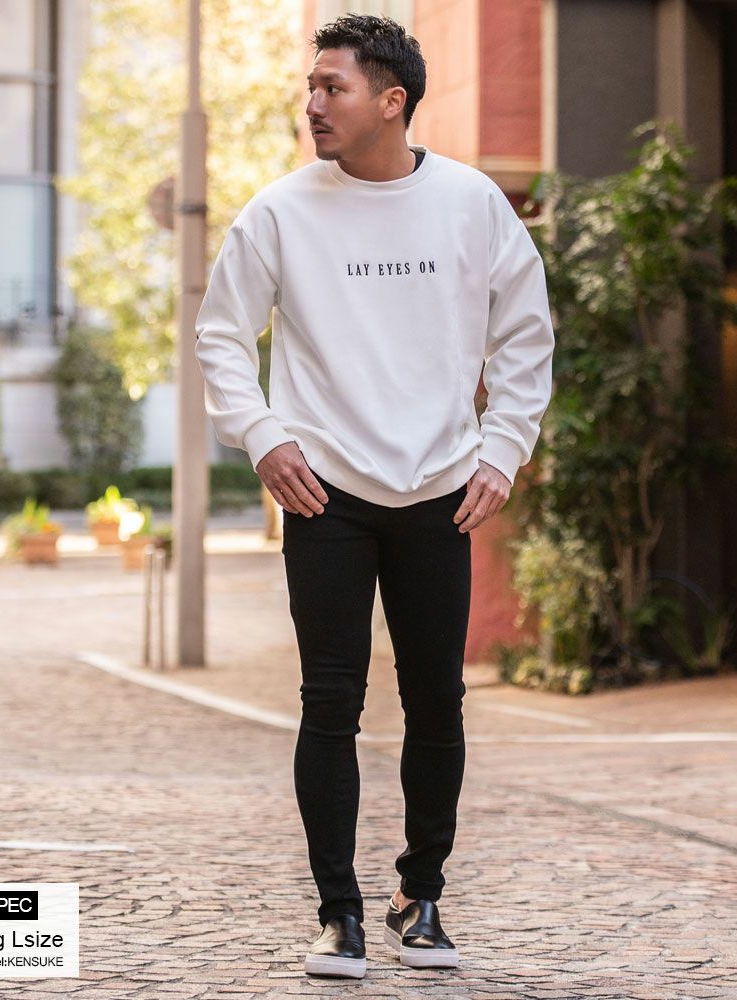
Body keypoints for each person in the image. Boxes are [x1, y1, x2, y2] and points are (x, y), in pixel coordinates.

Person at [194, 12, 555, 980]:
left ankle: (419, 895)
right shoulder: (279, 211)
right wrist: (264, 436)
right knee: (330, 701)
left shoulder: (472, 205)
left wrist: (502, 451)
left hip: (440, 490)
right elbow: (220, 334)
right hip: (325, 494)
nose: (311, 104)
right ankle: (339, 914)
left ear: (392, 101)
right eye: (310, 87)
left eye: (333, 87)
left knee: (438, 698)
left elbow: (526, 334)